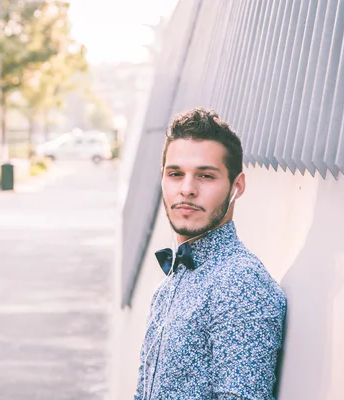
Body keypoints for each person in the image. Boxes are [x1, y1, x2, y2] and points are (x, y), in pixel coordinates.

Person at [134, 108, 286, 400]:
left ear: (236, 187)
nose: (187, 189)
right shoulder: (171, 282)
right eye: (175, 174)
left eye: (205, 176)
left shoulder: (240, 284)